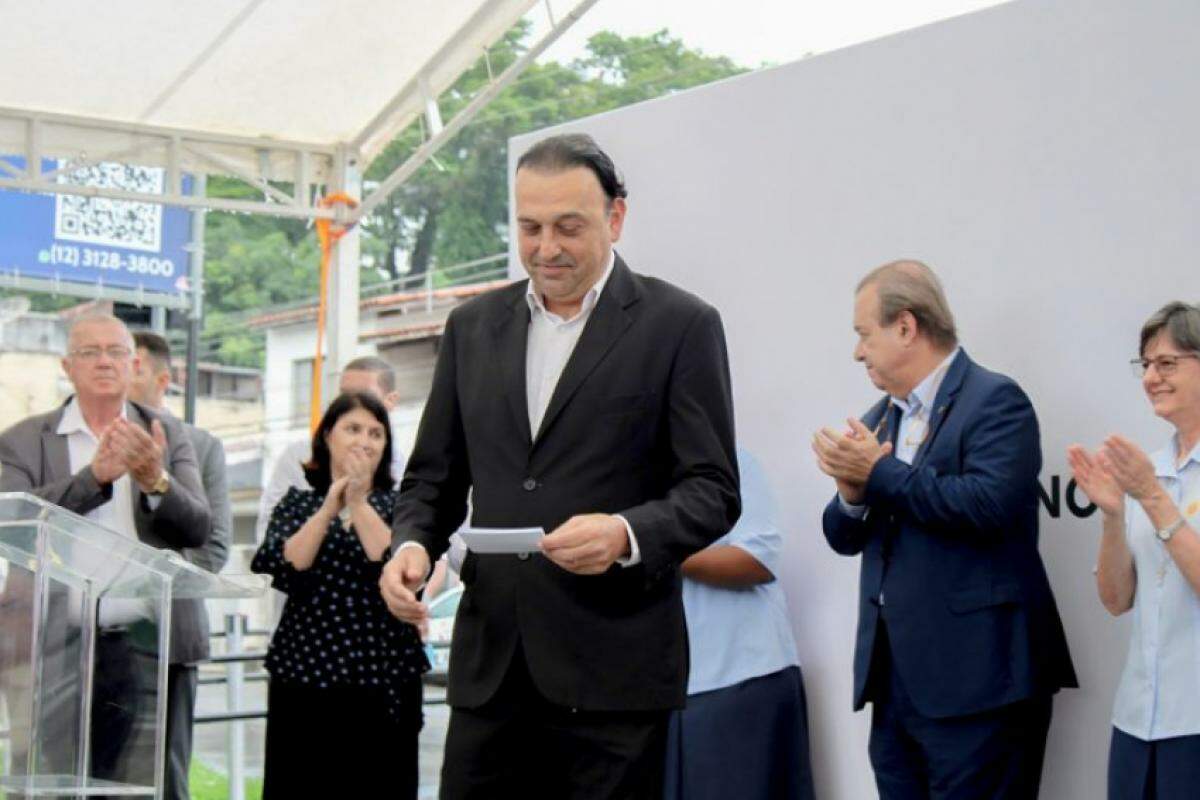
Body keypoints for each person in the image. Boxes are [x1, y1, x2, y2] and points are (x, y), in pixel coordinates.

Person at [380, 132, 740, 798]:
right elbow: (432, 478)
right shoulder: (471, 327)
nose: (546, 247)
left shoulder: (681, 326)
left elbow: (713, 490)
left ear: (616, 218)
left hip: (615, 678)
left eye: (568, 227)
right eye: (529, 227)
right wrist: (410, 545)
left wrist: (626, 535)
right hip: (491, 674)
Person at [813, 260, 1076, 799]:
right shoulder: (880, 417)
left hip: (980, 685)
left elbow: (987, 504)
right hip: (896, 688)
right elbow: (843, 536)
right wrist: (852, 494)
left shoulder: (995, 401)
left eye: (864, 334)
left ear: (906, 327)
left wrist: (879, 473)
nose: (857, 351)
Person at [0, 312, 211, 785]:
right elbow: (11, 522)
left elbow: (198, 527)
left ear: (135, 365)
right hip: (53, 646)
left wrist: (154, 479)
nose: (103, 362)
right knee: (49, 781)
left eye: (116, 352)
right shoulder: (22, 441)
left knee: (146, 785)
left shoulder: (169, 436)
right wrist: (92, 479)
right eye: (88, 352)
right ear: (66, 366)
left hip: (147, 647)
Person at [251, 392, 426, 799]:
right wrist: (331, 505)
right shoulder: (298, 503)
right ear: (328, 436)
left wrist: (359, 503)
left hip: (384, 675)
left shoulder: (401, 505)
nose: (364, 440)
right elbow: (288, 562)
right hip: (305, 673)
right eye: (353, 428)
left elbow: (393, 560)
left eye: (376, 433)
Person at [1068, 301, 1200, 800]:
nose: (1151, 377)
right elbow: (1116, 600)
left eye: (1167, 363)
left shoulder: (1150, 483)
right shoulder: (1153, 467)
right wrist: (1112, 515)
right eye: (1144, 365)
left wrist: (1149, 497)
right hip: (1138, 721)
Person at [663, 449, 815, 800]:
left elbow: (757, 558)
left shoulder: (725, 460)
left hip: (737, 680)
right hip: (663, 692)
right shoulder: (615, 477)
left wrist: (646, 545)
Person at [128, 331, 231, 800]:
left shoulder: (201, 446)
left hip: (169, 635)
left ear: (162, 379)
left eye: (132, 366)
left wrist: (141, 577)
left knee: (165, 778)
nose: (115, 375)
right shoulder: (81, 440)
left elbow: (213, 550)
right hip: (83, 639)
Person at [256, 355, 405, 540]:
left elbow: (422, 547)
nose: (352, 403)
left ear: (391, 400)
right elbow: (269, 531)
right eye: (345, 394)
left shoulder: (406, 471)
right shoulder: (299, 457)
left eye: (364, 395)